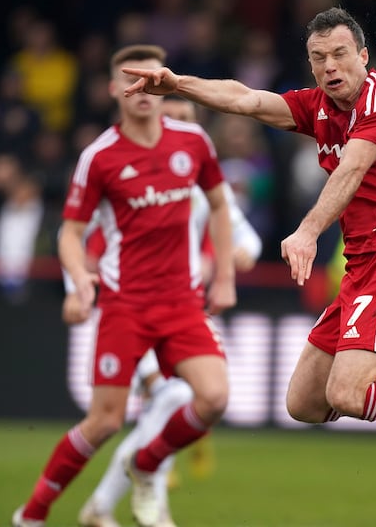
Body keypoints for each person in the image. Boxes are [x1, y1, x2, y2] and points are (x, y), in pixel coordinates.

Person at [123, 6, 376, 493]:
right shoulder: (319, 108)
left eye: (339, 54)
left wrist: (308, 231)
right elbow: (247, 99)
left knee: (348, 393)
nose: (329, 66)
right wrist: (178, 83)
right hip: (362, 269)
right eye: (318, 58)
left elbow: (352, 170)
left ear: (363, 56)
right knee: (306, 403)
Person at [12, 44, 236, 527]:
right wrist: (79, 282)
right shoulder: (100, 157)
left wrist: (224, 278)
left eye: (150, 78)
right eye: (129, 80)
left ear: (163, 83)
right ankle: (31, 515)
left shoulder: (193, 142)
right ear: (114, 89)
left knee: (214, 398)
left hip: (182, 302)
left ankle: (147, 462)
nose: (141, 89)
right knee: (105, 421)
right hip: (125, 304)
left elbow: (220, 206)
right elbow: (70, 233)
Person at [74, 96, 263, 527]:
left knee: (167, 407)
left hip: (180, 314)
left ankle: (104, 507)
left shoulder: (202, 184)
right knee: (170, 400)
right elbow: (89, 240)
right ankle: (146, 511)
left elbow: (247, 238)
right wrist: (81, 282)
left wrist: (239, 254)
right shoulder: (130, 177)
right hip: (129, 311)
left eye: (184, 119)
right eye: (169, 118)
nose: (176, 127)